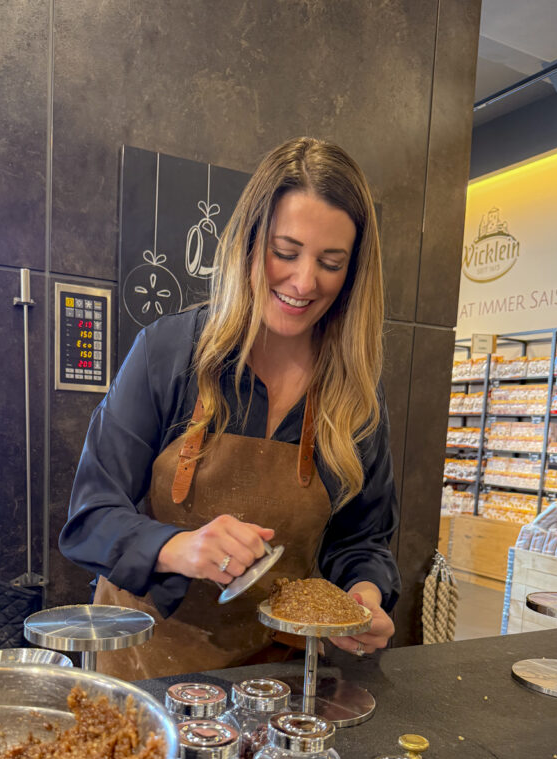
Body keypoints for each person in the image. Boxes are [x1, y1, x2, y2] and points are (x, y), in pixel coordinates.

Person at [60, 137, 400, 681]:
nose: (304, 281)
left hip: (277, 677)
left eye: (330, 263)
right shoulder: (166, 353)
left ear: (355, 272)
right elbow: (89, 521)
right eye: (285, 252)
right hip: (147, 669)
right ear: (248, 240)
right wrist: (178, 546)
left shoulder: (356, 392)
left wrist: (362, 593)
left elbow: (361, 539)